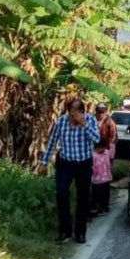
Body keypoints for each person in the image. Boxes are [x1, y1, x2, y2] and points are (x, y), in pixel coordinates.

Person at [38, 99, 101, 244]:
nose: (74, 115)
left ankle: (80, 232)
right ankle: (65, 231)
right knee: (61, 193)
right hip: (65, 163)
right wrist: (44, 162)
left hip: (84, 163)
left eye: (77, 112)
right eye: (71, 112)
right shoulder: (61, 121)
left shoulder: (90, 120)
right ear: (68, 111)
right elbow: (53, 141)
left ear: (82, 111)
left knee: (83, 198)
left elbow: (97, 139)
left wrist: (83, 124)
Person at [90, 139, 113, 216]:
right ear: (95, 148)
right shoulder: (94, 155)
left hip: (106, 178)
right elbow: (92, 166)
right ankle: (95, 207)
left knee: (105, 193)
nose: (101, 150)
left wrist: (112, 144)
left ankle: (104, 206)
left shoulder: (107, 153)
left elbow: (111, 158)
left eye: (102, 147)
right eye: (99, 148)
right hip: (96, 179)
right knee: (96, 194)